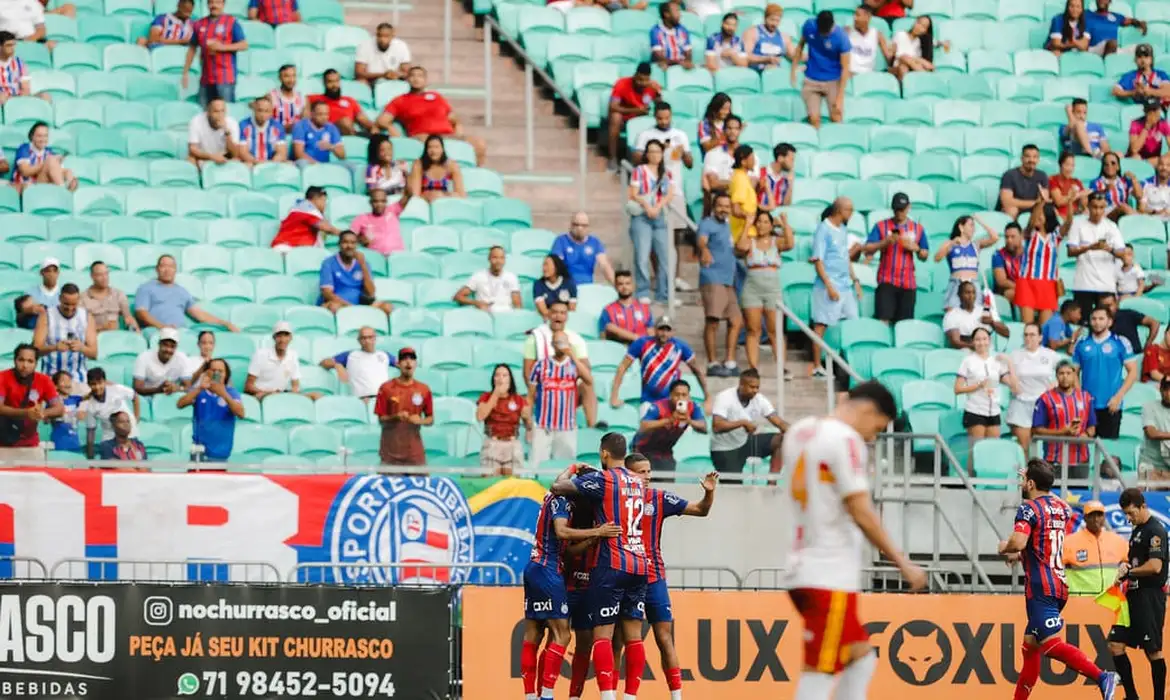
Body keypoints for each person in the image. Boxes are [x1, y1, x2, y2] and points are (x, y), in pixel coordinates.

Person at [781, 380, 927, 700]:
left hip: (801, 564)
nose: (872, 436)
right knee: (819, 672)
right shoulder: (845, 439)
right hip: (828, 573)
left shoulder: (800, 431)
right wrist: (903, 562)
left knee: (861, 657)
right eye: (877, 426)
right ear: (867, 410)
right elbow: (860, 510)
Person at [997, 459, 1119, 700]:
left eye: (1025, 480)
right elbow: (1043, 534)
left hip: (1041, 588)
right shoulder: (1061, 508)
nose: (1022, 483)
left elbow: (1019, 542)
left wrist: (1004, 547)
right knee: (1030, 648)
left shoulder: (1028, 509)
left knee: (1051, 646)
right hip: (1059, 584)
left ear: (1031, 483)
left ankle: (1102, 676)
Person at [548, 433, 650, 700]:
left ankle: (607, 696)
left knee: (602, 635)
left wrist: (573, 470)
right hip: (640, 564)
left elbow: (557, 487)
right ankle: (630, 697)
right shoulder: (639, 481)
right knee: (634, 636)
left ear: (604, 454)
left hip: (613, 563)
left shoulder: (604, 478)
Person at [519, 468, 620, 700]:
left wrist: (595, 537)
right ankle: (546, 696)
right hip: (549, 570)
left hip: (534, 567)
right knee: (562, 636)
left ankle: (530, 696)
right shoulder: (564, 501)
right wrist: (599, 530)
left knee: (533, 635)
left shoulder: (551, 495)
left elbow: (570, 548)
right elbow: (562, 532)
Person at [623, 455, 716, 700]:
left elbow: (701, 510)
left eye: (649, 471)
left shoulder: (659, 498)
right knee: (621, 641)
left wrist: (708, 494)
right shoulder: (615, 498)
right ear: (627, 474)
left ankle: (676, 696)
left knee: (664, 638)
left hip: (653, 578)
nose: (648, 476)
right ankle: (623, 695)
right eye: (641, 472)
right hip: (625, 577)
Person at [1109, 488, 1169, 700]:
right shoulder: (1137, 530)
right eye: (1125, 514)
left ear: (1142, 506)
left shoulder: (1155, 530)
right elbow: (1136, 561)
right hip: (1132, 596)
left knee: (1153, 651)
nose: (1128, 518)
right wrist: (1125, 566)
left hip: (1149, 597)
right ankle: (1132, 697)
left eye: (1131, 513)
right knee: (1115, 644)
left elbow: (1154, 566)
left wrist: (1130, 572)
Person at [377, 66, 487, 166]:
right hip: (422, 136)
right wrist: (398, 136)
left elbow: (454, 119)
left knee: (479, 144)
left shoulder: (437, 97)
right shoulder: (400, 100)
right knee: (434, 146)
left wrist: (458, 135)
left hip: (446, 135)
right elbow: (382, 121)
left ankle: (474, 174)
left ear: (425, 81)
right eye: (412, 75)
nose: (416, 78)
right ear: (408, 79)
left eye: (420, 76)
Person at [611, 317, 707, 413]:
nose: (664, 333)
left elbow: (696, 370)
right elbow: (622, 367)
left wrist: (708, 397)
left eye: (668, 330)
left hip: (673, 402)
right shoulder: (642, 343)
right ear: (654, 330)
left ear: (673, 332)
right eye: (661, 329)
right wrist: (614, 396)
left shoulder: (680, 346)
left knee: (686, 426)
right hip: (648, 401)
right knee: (646, 426)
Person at [810, 198, 861, 377]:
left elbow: (845, 257)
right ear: (840, 210)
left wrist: (855, 280)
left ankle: (848, 363)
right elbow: (818, 261)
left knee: (853, 321)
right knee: (821, 324)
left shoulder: (843, 229)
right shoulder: (823, 230)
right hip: (828, 286)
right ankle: (817, 365)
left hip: (845, 285)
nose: (851, 214)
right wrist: (829, 286)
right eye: (850, 210)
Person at [737, 209, 792, 373]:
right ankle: (753, 367)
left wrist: (784, 224)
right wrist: (747, 224)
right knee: (753, 330)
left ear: (771, 225)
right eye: (759, 221)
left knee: (774, 330)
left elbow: (790, 243)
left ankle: (781, 366)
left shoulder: (776, 242)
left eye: (766, 222)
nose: (762, 225)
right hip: (752, 288)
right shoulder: (751, 242)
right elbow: (740, 246)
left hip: (772, 289)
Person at [528, 329, 591, 470]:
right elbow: (531, 395)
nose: (561, 345)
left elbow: (589, 380)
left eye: (564, 342)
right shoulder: (540, 365)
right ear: (552, 345)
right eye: (558, 342)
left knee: (565, 468)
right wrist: (528, 422)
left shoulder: (575, 365)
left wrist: (573, 356)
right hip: (543, 424)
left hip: (567, 426)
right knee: (536, 466)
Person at [955, 327, 1019, 463]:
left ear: (989, 341)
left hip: (993, 410)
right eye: (977, 339)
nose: (981, 342)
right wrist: (978, 385)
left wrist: (1010, 363)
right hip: (975, 410)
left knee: (992, 451)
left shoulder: (996, 361)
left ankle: (990, 482)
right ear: (973, 342)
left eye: (984, 339)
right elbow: (958, 388)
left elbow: (1013, 385)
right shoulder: (968, 361)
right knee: (976, 450)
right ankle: (972, 482)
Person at [1074, 306, 1139, 439]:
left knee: (1108, 450)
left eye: (1101, 319)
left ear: (1109, 321)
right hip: (1088, 406)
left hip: (1111, 404)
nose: (1097, 322)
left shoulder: (1121, 342)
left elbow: (1132, 372)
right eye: (1094, 319)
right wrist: (1081, 397)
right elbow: (1073, 373)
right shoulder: (1081, 343)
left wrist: (1118, 397)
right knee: (1085, 449)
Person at [865, 192, 929, 324]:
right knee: (883, 319)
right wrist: (885, 242)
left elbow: (925, 254)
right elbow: (867, 249)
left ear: (908, 207)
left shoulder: (917, 228)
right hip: (887, 280)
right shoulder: (881, 226)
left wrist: (916, 249)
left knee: (905, 323)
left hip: (908, 282)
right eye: (896, 209)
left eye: (902, 209)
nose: (899, 213)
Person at [697, 191, 741, 377]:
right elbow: (702, 240)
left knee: (736, 320)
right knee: (713, 321)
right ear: (714, 207)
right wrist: (704, 250)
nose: (724, 209)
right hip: (712, 277)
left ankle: (729, 361)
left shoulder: (728, 225)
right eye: (720, 205)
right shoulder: (707, 223)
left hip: (728, 280)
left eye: (727, 206)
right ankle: (712, 362)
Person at [710, 368, 787, 474]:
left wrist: (794, 431)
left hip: (745, 441)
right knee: (734, 487)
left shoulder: (759, 399)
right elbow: (717, 426)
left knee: (783, 439)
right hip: (724, 448)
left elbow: (779, 422)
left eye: (757, 387)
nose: (755, 390)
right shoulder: (725, 397)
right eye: (752, 387)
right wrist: (743, 423)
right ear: (741, 385)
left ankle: (772, 482)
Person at [134, 255, 237, 331]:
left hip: (181, 333)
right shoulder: (146, 288)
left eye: (171, 267)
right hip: (156, 331)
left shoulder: (182, 291)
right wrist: (162, 327)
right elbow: (141, 313)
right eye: (163, 266)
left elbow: (200, 315)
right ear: (157, 269)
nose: (167, 270)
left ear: (175, 270)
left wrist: (224, 323)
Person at [633, 102, 693, 232]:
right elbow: (636, 160)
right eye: (660, 118)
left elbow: (690, 164)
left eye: (667, 118)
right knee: (654, 229)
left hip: (675, 188)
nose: (664, 121)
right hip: (652, 191)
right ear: (655, 117)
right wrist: (656, 148)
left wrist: (682, 152)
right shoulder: (646, 135)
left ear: (671, 116)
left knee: (677, 230)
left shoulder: (680, 135)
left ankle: (675, 253)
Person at [628, 138, 674, 304]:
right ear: (647, 154)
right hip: (642, 215)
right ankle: (643, 291)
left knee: (665, 256)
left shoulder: (666, 173)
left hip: (660, 215)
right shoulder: (639, 170)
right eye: (652, 152)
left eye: (658, 152)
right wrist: (648, 206)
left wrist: (658, 206)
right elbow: (633, 193)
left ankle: (664, 293)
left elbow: (669, 193)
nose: (655, 155)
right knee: (642, 254)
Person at [0, 344, 63, 460]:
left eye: (30, 361)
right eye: (21, 360)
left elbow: (59, 409)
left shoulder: (44, 380)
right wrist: (26, 413)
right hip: (2, 444)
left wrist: (42, 413)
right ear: (14, 360)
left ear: (36, 363)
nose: (25, 365)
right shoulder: (2, 377)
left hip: (30, 444)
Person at [1032, 359, 1097, 472]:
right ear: (1056, 376)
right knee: (1053, 489)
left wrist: (1085, 435)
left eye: (1068, 373)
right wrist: (1063, 432)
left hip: (1081, 459)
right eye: (1061, 373)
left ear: (1074, 375)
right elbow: (1036, 430)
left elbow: (1092, 426)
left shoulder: (1086, 397)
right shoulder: (1045, 398)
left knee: (1080, 490)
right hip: (1054, 459)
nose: (1065, 377)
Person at [374, 346, 433, 467]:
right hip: (390, 454)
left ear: (416, 363)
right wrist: (396, 416)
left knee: (419, 486)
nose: (408, 362)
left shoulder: (424, 389)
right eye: (404, 359)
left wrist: (420, 421)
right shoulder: (386, 388)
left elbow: (430, 419)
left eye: (412, 359)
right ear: (398, 364)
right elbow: (381, 419)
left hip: (415, 454)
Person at [1069, 192, 1126, 316]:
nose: (1098, 211)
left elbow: (1122, 253)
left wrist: (1109, 249)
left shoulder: (1111, 226)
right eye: (1094, 207)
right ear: (1088, 206)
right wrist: (1089, 248)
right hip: (1083, 285)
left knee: (1106, 323)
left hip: (1106, 285)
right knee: (1084, 324)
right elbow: (1070, 251)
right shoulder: (1078, 224)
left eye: (1101, 208)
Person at [180, 0, 247, 107]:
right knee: (204, 111)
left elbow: (244, 45)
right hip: (206, 78)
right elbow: (192, 48)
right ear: (207, 4)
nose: (214, 5)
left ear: (223, 4)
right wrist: (185, 72)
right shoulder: (199, 24)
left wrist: (222, 47)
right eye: (211, 2)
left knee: (225, 111)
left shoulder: (231, 22)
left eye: (217, 2)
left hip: (226, 77)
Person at [791, 11, 851, 128]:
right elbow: (800, 46)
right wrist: (793, 69)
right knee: (813, 119)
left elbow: (845, 68)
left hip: (833, 80)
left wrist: (840, 97)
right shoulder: (809, 26)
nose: (823, 34)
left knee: (836, 117)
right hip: (811, 79)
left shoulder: (841, 38)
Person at [1008, 323, 1062, 454]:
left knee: (1046, 450)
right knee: (1023, 449)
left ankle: (1042, 474)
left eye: (1032, 335)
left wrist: (1055, 384)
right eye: (1026, 335)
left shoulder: (1051, 355)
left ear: (1040, 337)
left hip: (1044, 406)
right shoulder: (1015, 355)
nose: (1028, 338)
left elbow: (1066, 373)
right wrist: (1012, 383)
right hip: (1020, 405)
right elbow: (1003, 374)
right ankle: (1024, 475)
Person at [177, 358, 244, 463]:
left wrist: (223, 393)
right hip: (199, 453)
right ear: (207, 372)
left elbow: (241, 413)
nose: (216, 373)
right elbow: (180, 404)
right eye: (213, 370)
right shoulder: (200, 392)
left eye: (220, 371)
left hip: (221, 453)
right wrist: (200, 388)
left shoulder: (231, 393)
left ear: (226, 374)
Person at [632, 379, 707, 471]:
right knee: (645, 481)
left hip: (665, 452)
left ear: (689, 396)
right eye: (677, 395)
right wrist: (669, 420)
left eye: (684, 395)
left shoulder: (693, 408)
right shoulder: (658, 407)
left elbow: (703, 427)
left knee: (667, 482)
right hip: (643, 450)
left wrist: (689, 420)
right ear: (671, 395)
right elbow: (644, 426)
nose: (680, 398)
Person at [1018, 200, 1072, 325]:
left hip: (1048, 284)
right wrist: (1042, 202)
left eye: (1041, 214)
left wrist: (1069, 202)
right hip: (1028, 283)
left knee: (1045, 328)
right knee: (1028, 327)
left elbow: (1068, 223)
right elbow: (1032, 221)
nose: (1038, 217)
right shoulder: (1031, 234)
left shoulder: (1055, 236)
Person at [32, 282, 96, 386]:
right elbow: (35, 350)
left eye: (74, 304)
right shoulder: (46, 316)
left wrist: (81, 348)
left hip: (78, 379)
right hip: (51, 378)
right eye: (66, 304)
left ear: (78, 300)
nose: (70, 308)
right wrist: (55, 347)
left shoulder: (87, 317)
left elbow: (94, 353)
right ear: (60, 298)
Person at [317, 230, 393, 315]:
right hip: (339, 305)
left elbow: (371, 293)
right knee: (334, 307)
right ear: (339, 244)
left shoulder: (363, 263)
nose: (349, 246)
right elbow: (327, 293)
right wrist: (350, 307)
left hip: (360, 304)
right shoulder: (329, 263)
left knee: (387, 307)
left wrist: (363, 265)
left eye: (353, 243)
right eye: (345, 242)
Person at [1062, 500, 1128, 596]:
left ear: (1104, 517)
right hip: (1079, 603)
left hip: (1110, 601)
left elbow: (1131, 562)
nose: (1096, 519)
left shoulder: (1117, 541)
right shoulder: (1069, 542)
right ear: (1085, 518)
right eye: (1092, 515)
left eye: (1099, 515)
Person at [475, 364, 531, 476]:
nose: (501, 378)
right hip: (492, 443)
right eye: (497, 375)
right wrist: (496, 393)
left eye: (505, 375)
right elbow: (480, 416)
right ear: (493, 379)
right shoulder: (486, 397)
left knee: (512, 483)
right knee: (490, 482)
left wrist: (527, 420)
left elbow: (528, 424)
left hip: (512, 444)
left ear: (510, 380)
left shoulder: (518, 399)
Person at [935, 214, 999, 310]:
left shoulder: (976, 245)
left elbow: (995, 237)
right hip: (956, 283)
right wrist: (951, 244)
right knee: (952, 312)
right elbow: (937, 258)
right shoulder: (950, 243)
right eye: (971, 225)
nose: (973, 229)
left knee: (976, 313)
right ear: (961, 227)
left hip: (973, 284)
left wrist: (979, 221)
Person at [606, 62, 661, 169]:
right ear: (635, 75)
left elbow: (660, 107)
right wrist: (635, 110)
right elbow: (612, 107)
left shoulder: (653, 86)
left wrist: (658, 93)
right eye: (640, 80)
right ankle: (612, 158)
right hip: (624, 117)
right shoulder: (622, 83)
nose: (642, 83)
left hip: (641, 118)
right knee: (615, 117)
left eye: (646, 80)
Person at [319, 326, 396, 402]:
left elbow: (402, 364)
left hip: (383, 399)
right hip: (362, 400)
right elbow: (324, 362)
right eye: (363, 338)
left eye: (370, 337)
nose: (367, 341)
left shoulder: (384, 355)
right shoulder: (350, 355)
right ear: (358, 340)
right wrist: (337, 365)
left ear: (375, 338)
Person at [245, 321, 318, 401]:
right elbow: (248, 386)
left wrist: (293, 394)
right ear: (274, 338)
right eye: (279, 336)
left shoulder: (293, 355)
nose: (283, 340)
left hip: (281, 394)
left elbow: (295, 385)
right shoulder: (260, 354)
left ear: (290, 338)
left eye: (286, 335)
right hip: (262, 394)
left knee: (316, 396)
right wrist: (268, 393)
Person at [81, 367, 139, 459]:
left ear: (105, 382)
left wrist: (136, 418)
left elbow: (134, 396)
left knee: (134, 459)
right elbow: (90, 432)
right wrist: (90, 458)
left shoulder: (116, 389)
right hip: (109, 436)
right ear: (88, 384)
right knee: (109, 460)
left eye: (100, 383)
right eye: (93, 384)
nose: (97, 387)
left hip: (129, 433)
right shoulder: (91, 406)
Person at [551, 211, 616, 287]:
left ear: (588, 227)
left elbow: (605, 265)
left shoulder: (594, 242)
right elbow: (555, 265)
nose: (579, 228)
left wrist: (616, 285)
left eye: (583, 225)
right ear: (570, 225)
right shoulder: (561, 241)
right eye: (576, 224)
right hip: (566, 288)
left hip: (587, 288)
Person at [309, 70, 378, 137]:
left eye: (337, 81)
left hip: (348, 130)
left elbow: (363, 119)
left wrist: (372, 127)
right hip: (326, 131)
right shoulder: (314, 99)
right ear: (324, 83)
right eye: (330, 82)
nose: (334, 85)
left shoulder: (350, 100)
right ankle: (359, 135)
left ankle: (359, 135)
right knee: (345, 121)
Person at [942, 280, 1010, 349]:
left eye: (973, 293)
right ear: (959, 295)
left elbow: (1006, 333)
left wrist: (992, 322)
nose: (971, 296)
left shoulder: (985, 311)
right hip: (964, 352)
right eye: (967, 293)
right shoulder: (952, 315)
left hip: (988, 351)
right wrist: (977, 347)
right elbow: (955, 342)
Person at [268, 186, 342, 249]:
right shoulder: (308, 210)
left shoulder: (299, 208)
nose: (325, 204)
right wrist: (345, 234)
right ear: (316, 199)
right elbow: (326, 228)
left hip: (287, 247)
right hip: (288, 248)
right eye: (324, 200)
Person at [12, 121, 77, 193]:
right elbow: (25, 171)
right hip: (25, 187)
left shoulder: (49, 152)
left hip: (42, 184)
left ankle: (66, 192)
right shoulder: (24, 148)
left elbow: (58, 172)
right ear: (32, 137)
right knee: (51, 160)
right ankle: (63, 192)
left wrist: (70, 178)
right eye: (39, 136)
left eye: (45, 136)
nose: (43, 139)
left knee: (68, 172)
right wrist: (46, 163)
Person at [455, 246, 521, 312]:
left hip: (506, 315)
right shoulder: (478, 276)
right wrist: (477, 303)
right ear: (489, 259)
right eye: (495, 257)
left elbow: (518, 305)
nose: (498, 261)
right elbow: (458, 297)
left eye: (502, 258)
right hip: (486, 315)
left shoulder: (511, 277)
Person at [132, 328, 192, 396]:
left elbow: (188, 387)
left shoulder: (183, 358)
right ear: (159, 344)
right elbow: (137, 388)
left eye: (172, 346)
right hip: (148, 397)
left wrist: (177, 388)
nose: (168, 349)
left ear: (176, 347)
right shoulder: (144, 357)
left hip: (171, 396)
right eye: (165, 345)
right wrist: (158, 390)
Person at [598, 271, 653, 344]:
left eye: (627, 283)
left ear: (633, 286)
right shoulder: (608, 310)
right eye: (620, 284)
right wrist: (636, 338)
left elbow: (651, 332)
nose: (625, 287)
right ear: (616, 287)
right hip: (619, 349)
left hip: (641, 349)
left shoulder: (644, 308)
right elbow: (603, 336)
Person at [350, 188, 409, 256]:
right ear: (370, 202)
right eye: (376, 201)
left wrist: (407, 179)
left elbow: (408, 194)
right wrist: (360, 238)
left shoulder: (393, 210)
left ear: (386, 202)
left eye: (383, 201)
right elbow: (350, 236)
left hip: (397, 257)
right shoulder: (361, 218)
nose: (379, 205)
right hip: (376, 258)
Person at [83, 261, 138, 333]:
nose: (104, 278)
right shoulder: (83, 298)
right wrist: (103, 327)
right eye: (100, 275)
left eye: (106, 274)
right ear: (92, 276)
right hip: (95, 338)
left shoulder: (118, 294)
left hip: (116, 337)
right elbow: (81, 327)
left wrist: (136, 333)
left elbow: (128, 318)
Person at [999, 145, 1050, 219]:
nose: (1031, 160)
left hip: (1032, 209)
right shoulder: (1009, 175)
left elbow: (1043, 200)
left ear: (1038, 160)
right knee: (1012, 210)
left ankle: (1040, 231)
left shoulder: (1042, 175)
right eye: (1027, 156)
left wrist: (1039, 202)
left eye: (1035, 157)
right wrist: (1035, 203)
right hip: (1015, 209)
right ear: (1022, 158)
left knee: (1045, 212)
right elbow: (1007, 201)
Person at [1113, 43, 1170, 108]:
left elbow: (1168, 91)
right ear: (1135, 60)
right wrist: (1134, 93)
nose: (1143, 60)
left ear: (1151, 59)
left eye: (1146, 56)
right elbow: (1115, 91)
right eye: (1139, 57)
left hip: (1157, 109)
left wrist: (1149, 91)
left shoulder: (1160, 74)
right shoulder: (1130, 75)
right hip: (1137, 109)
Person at [743, 4, 798, 72]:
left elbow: (794, 55)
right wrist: (766, 59)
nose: (774, 23)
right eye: (772, 19)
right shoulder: (752, 32)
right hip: (756, 71)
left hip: (774, 73)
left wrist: (812, 55)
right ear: (765, 18)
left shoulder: (784, 37)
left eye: (777, 21)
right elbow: (745, 56)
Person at [408, 135, 464, 201]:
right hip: (424, 201)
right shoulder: (419, 164)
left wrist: (444, 195)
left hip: (443, 200)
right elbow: (415, 195)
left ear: (442, 149)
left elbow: (461, 195)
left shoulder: (451, 165)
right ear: (426, 150)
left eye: (437, 147)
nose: (433, 151)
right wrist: (429, 196)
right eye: (430, 147)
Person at [187, 97, 240, 167]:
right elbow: (192, 149)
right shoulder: (196, 121)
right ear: (208, 112)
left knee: (236, 160)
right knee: (190, 159)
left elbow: (234, 154)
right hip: (204, 157)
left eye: (223, 111)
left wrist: (227, 132)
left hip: (223, 156)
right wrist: (212, 157)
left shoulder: (232, 123)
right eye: (216, 111)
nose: (220, 115)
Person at [890, 15, 947, 80]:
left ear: (925, 31)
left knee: (909, 66)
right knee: (904, 64)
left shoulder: (919, 41)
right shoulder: (901, 34)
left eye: (923, 27)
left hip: (913, 68)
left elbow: (933, 42)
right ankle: (928, 77)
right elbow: (901, 56)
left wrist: (943, 43)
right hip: (898, 66)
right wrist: (922, 61)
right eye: (918, 23)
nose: (919, 27)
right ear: (915, 22)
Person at [236, 96, 288, 164]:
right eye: (260, 110)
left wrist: (271, 164)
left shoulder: (278, 126)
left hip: (272, 163)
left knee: (289, 164)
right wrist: (257, 163)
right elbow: (243, 152)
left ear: (271, 112)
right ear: (254, 109)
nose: (263, 114)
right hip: (252, 163)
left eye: (267, 111)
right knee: (247, 165)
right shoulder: (243, 125)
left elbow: (282, 152)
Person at [1090, 152, 1140, 220]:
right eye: (1106, 164)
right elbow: (1092, 201)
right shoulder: (1096, 182)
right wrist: (1105, 191)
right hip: (1105, 214)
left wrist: (1134, 179)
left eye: (1113, 163)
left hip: (1124, 213)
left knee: (1125, 207)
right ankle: (1141, 220)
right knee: (1123, 207)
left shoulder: (1124, 182)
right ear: (1103, 167)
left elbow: (1139, 196)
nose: (1109, 166)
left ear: (1118, 167)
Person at [847, 4, 892, 76]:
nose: (855, 18)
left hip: (869, 75)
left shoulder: (877, 34)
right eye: (854, 15)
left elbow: (889, 58)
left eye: (858, 15)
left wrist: (893, 53)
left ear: (867, 17)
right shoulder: (848, 31)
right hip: (851, 73)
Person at [650, 1, 693, 70]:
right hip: (665, 67)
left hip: (681, 67)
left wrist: (687, 62)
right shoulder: (656, 31)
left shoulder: (682, 29)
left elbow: (688, 52)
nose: (680, 15)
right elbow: (659, 57)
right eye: (676, 11)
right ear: (666, 14)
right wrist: (680, 63)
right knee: (662, 65)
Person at [533, 255, 577, 319]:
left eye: (547, 265)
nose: (544, 268)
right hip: (547, 321)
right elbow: (543, 311)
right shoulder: (538, 285)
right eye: (543, 265)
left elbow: (571, 310)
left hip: (565, 321)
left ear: (556, 267)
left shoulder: (569, 283)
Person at [757, 142, 796, 213]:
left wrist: (790, 185)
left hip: (776, 216)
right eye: (791, 159)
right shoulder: (760, 173)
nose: (793, 164)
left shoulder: (785, 179)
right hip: (760, 216)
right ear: (780, 158)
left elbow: (786, 205)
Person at [992, 223, 1025, 306]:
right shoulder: (998, 255)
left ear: (1021, 237)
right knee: (1011, 293)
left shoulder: (1030, 254)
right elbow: (1001, 281)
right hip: (1008, 291)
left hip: (1028, 289)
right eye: (1007, 237)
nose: (1009, 240)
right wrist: (1022, 288)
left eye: (1013, 237)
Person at [1050, 151, 1089, 220]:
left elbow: (1083, 204)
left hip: (1077, 215)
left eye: (1072, 165)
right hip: (1061, 217)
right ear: (1060, 165)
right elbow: (1059, 201)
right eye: (1067, 165)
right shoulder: (1053, 180)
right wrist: (1077, 195)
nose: (1070, 169)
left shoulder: (1076, 181)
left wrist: (1084, 198)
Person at [1129, 97, 1170, 163]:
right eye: (1151, 110)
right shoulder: (1135, 124)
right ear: (1145, 112)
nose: (1154, 113)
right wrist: (1146, 128)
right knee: (1136, 157)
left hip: (1155, 159)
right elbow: (1134, 149)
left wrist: (1164, 158)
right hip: (1140, 159)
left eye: (1156, 109)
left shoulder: (1163, 123)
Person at [268, 64, 306, 132]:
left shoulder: (301, 97)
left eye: (293, 76)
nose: (291, 80)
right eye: (286, 76)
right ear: (280, 78)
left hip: (297, 138)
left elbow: (305, 124)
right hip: (277, 138)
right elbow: (268, 124)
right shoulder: (271, 96)